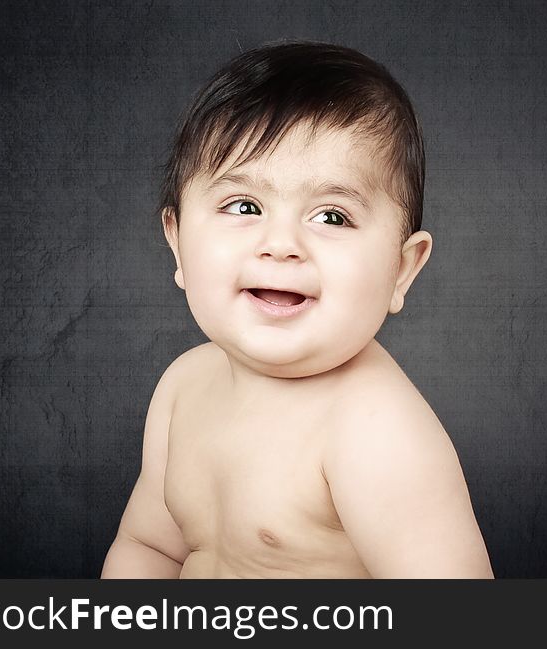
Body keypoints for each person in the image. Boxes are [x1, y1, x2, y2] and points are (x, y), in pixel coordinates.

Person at [101, 40, 493, 578]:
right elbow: (149, 548)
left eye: (332, 216)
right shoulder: (182, 386)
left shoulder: (376, 430)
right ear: (176, 244)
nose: (281, 243)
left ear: (402, 270)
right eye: (244, 206)